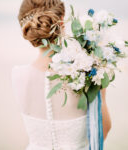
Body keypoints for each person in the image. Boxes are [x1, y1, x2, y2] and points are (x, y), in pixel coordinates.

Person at [11, 0, 111, 149]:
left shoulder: (17, 75)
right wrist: (100, 92)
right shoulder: (84, 76)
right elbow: (103, 131)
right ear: (62, 22)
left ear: (26, 28)